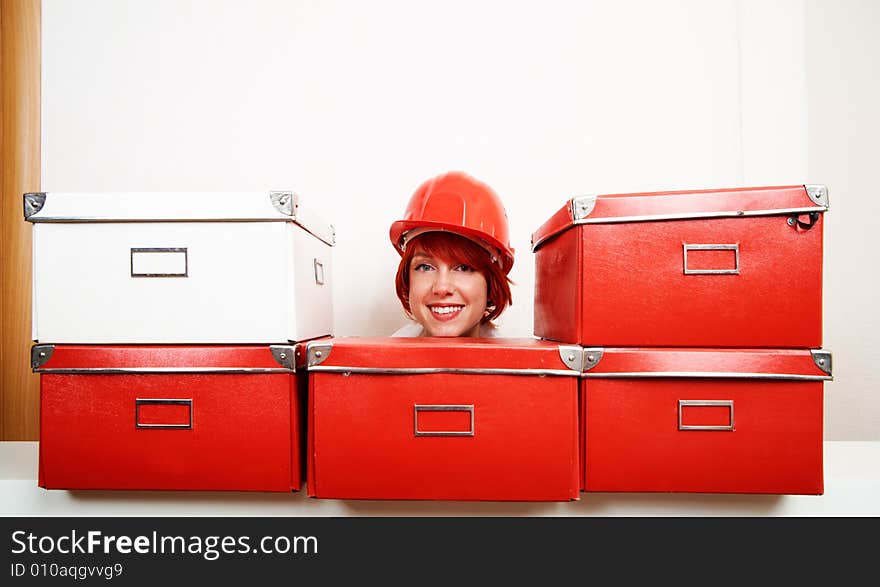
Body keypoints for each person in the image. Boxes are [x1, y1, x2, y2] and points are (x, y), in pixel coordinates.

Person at [389, 171, 515, 337]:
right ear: (407, 280)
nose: (442, 288)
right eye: (425, 267)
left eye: (463, 267)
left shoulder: (523, 363)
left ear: (491, 283)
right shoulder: (380, 362)